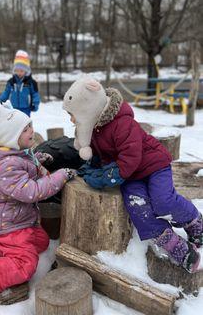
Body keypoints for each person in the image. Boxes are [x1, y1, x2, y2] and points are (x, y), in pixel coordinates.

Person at [62, 75, 203, 273]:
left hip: (153, 165)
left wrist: (108, 177)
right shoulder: (93, 129)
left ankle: (194, 220)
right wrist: (90, 170)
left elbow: (130, 156)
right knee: (138, 209)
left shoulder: (123, 123)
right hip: (130, 176)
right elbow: (98, 157)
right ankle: (174, 245)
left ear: (89, 108)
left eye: (74, 114)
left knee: (162, 201)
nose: (72, 119)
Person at [0, 102, 75, 315]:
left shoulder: (15, 154)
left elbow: (24, 164)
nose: (32, 130)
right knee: (25, 265)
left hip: (17, 220)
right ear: (12, 137)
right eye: (25, 129)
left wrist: (37, 160)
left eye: (30, 125)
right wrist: (60, 176)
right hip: (10, 226)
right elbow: (31, 191)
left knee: (41, 241)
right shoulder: (6, 166)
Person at [0, 50, 40, 116]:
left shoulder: (31, 82)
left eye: (21, 71)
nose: (19, 73)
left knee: (25, 124)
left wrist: (35, 103)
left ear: (26, 71)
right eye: (17, 70)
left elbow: (35, 94)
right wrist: (2, 100)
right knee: (14, 124)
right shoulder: (11, 82)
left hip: (26, 108)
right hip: (13, 108)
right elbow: (6, 92)